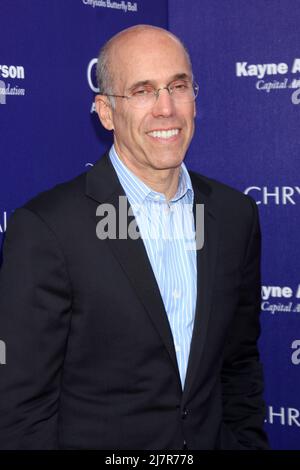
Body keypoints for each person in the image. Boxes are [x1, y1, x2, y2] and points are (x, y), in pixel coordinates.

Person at [0, 25, 269, 450]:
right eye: (143, 91)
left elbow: (239, 364)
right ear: (106, 112)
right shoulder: (48, 228)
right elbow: (20, 408)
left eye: (178, 86)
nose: (167, 108)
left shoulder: (236, 217)